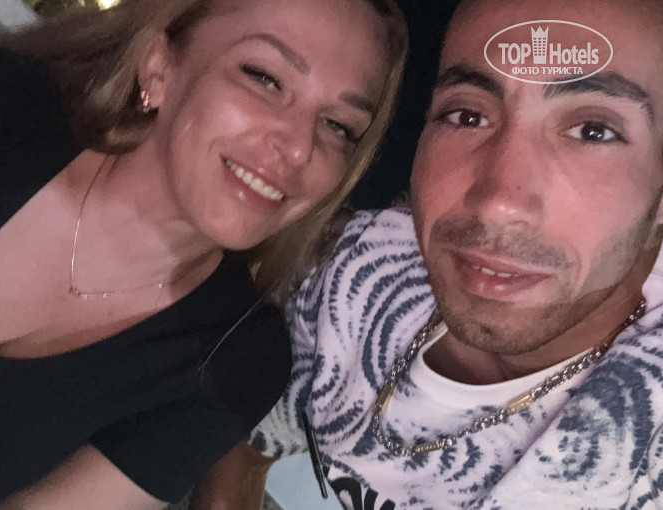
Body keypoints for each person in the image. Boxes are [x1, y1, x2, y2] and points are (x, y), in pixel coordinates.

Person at [0, 0, 409, 507]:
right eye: (264, 78)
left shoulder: (236, 360)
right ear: (159, 68)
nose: (299, 149)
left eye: (338, 126)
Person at [190, 0, 663, 508]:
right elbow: (245, 438)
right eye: (467, 116)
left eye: (593, 131)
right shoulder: (362, 268)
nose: (497, 203)